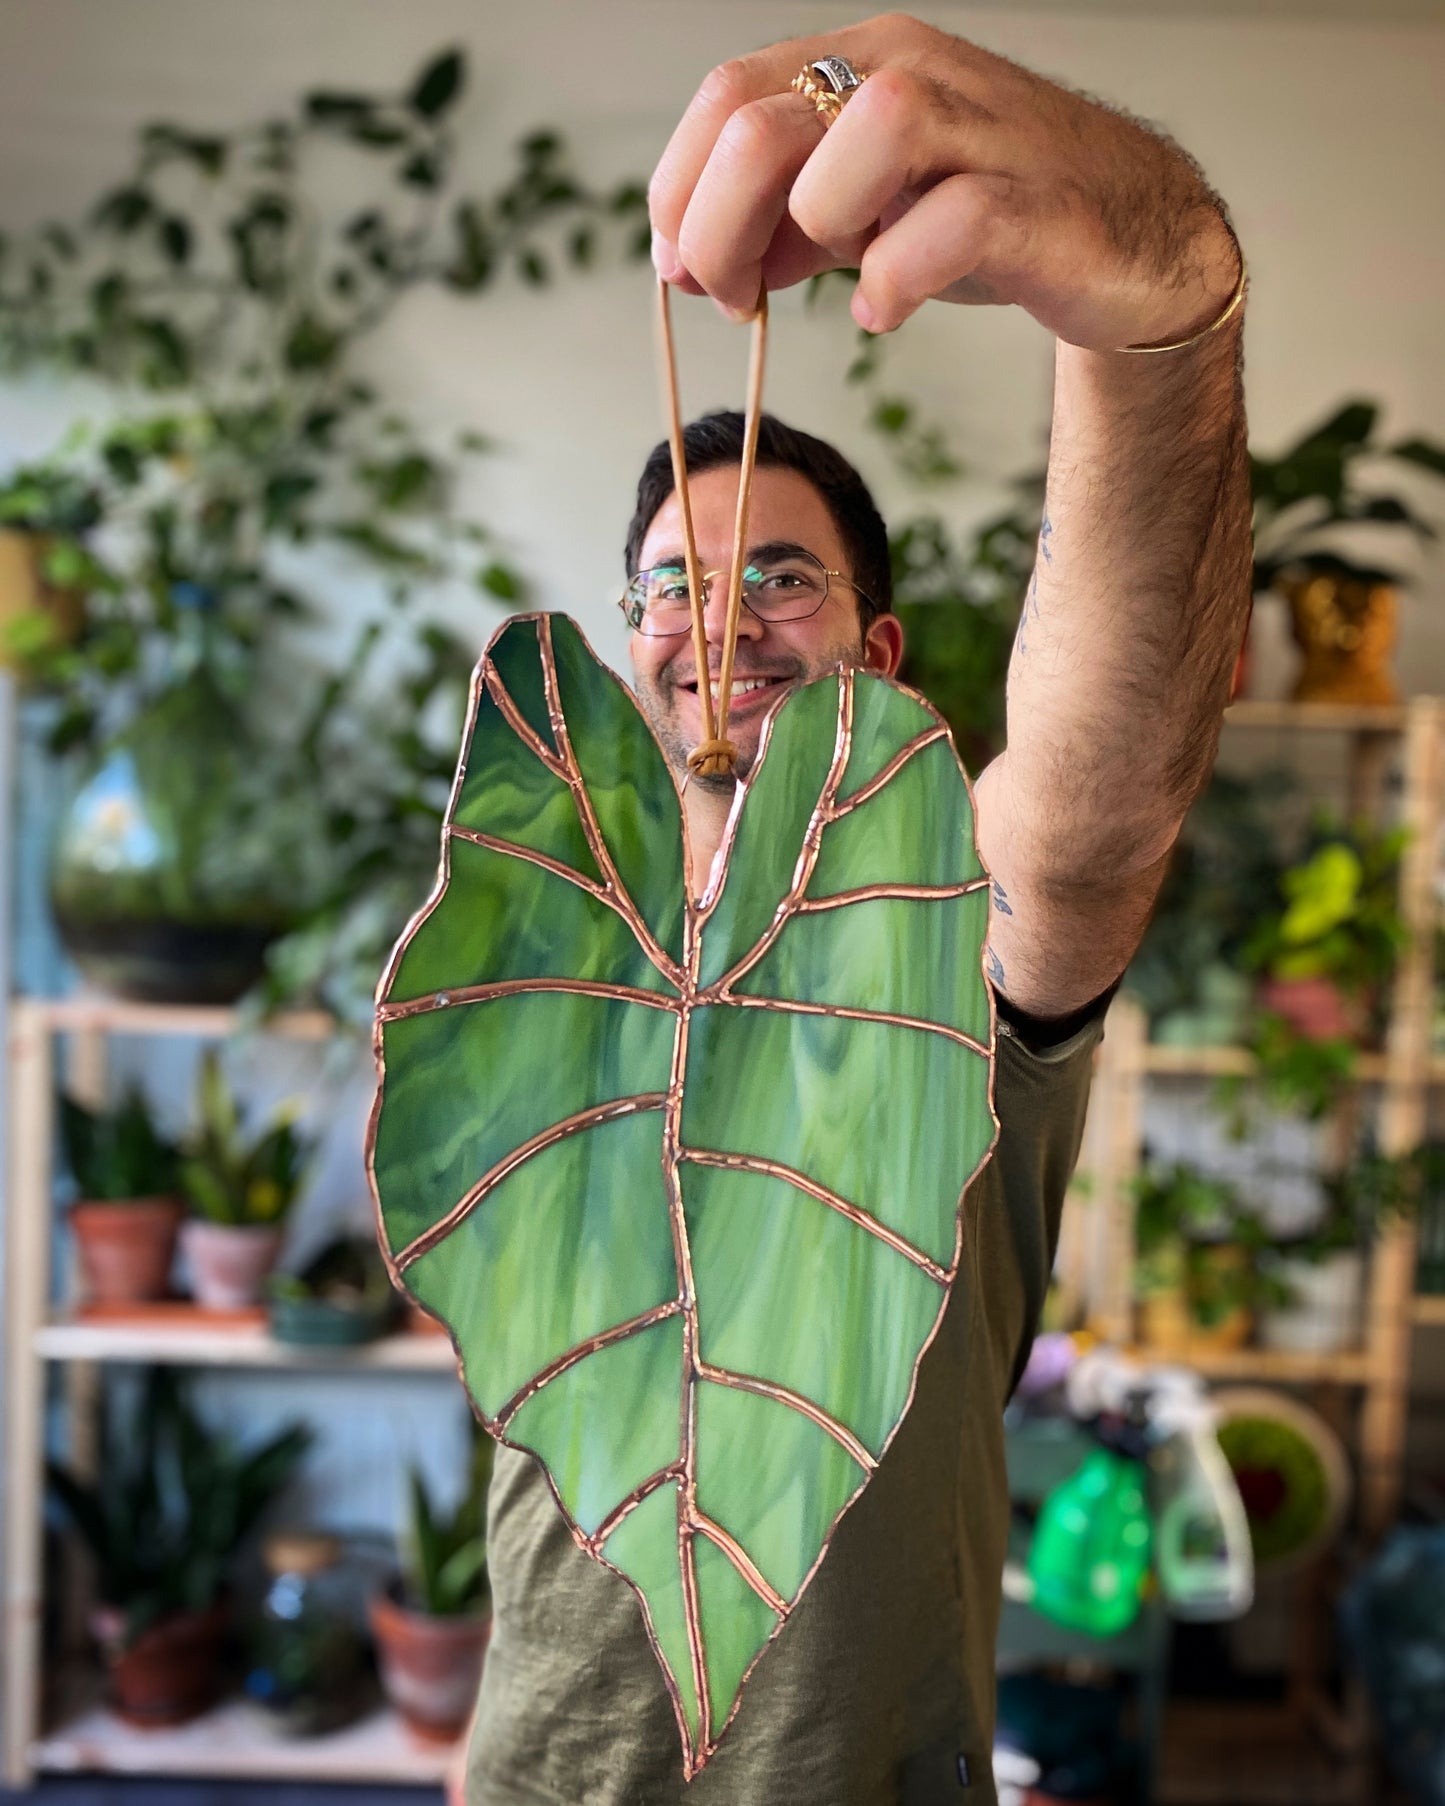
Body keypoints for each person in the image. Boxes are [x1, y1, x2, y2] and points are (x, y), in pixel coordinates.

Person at [455, 14, 1251, 1805]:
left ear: (876, 657)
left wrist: (1157, 302)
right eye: (670, 589)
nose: (715, 624)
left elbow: (1087, 823)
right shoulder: (542, 965)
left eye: (781, 580)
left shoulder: (936, 946)